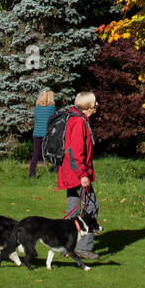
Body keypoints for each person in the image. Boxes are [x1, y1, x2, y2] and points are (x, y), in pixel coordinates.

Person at [56, 91, 100, 261]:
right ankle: (82, 248)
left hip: (70, 172)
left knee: (72, 208)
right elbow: (75, 152)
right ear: (88, 105)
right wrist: (83, 174)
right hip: (77, 173)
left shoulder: (74, 118)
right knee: (91, 206)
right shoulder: (79, 122)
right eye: (95, 102)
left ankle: (65, 245)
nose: (97, 105)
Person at [28, 88, 56, 178]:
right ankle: (58, 171)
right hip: (47, 135)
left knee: (35, 155)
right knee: (54, 152)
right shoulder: (52, 108)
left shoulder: (37, 108)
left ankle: (31, 174)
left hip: (37, 134)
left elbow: (35, 120)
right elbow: (53, 121)